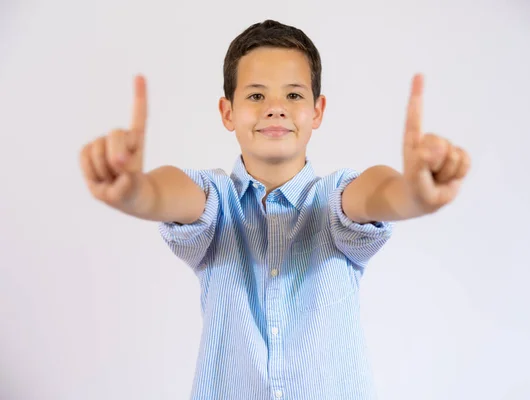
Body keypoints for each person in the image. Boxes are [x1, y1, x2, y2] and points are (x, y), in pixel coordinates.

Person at [79, 19, 470, 400]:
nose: (275, 108)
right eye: (255, 95)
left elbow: (375, 192)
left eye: (294, 95)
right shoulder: (216, 202)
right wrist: (135, 191)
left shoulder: (335, 200)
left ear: (317, 111)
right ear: (227, 111)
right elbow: (170, 192)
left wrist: (414, 194)